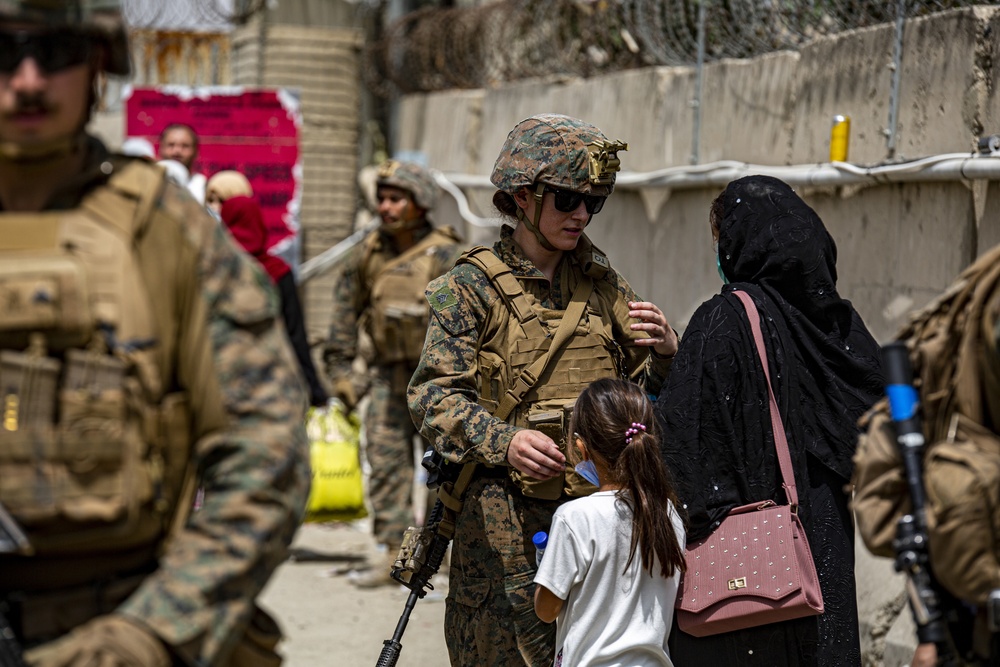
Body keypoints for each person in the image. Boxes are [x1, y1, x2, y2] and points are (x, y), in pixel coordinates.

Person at [0, 3, 310, 666]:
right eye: (3, 53)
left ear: (97, 65)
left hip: (112, 630)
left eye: (53, 54)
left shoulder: (164, 228)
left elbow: (266, 457)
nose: (26, 80)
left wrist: (154, 632)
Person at [407, 113, 679, 666]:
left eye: (593, 202)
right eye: (566, 200)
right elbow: (432, 397)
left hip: (596, 528)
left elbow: (635, 404)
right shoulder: (468, 288)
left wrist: (668, 357)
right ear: (522, 197)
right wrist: (504, 441)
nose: (581, 215)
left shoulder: (604, 286)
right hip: (500, 527)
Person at [654, 175, 883, 666]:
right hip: (823, 547)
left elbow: (683, 450)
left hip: (752, 569)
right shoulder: (837, 329)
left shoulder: (723, 320)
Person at [322, 159, 464, 588]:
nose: (385, 207)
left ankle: (435, 556)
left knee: (444, 470)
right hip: (387, 377)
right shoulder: (368, 253)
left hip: (437, 380)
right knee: (385, 466)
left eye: (396, 198)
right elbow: (345, 315)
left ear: (419, 202)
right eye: (382, 198)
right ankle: (392, 554)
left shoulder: (446, 254)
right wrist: (342, 372)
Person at [533, 378, 686, 667]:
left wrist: (547, 566)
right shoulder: (668, 512)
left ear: (581, 448)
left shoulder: (575, 517)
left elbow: (546, 610)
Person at [206, 170, 329, 408]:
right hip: (271, 386)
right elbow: (295, 336)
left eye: (220, 201)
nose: (213, 208)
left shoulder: (211, 270)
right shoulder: (277, 271)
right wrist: (315, 391)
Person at [158, 122, 206, 204]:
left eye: (185, 146)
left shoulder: (203, 187)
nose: (177, 151)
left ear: (196, 152)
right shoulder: (149, 183)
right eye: (171, 145)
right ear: (160, 149)